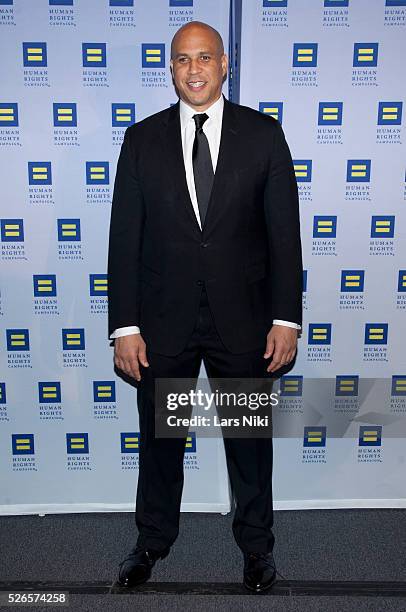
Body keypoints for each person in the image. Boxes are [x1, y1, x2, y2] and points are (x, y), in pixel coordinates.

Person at [107, 21, 302, 593]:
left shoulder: (264, 137)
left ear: (225, 65)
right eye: (182, 60)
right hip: (162, 323)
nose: (194, 69)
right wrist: (125, 325)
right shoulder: (141, 140)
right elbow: (125, 240)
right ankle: (151, 542)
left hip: (242, 321)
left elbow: (284, 237)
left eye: (205, 58)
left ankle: (258, 550)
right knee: (162, 443)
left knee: (248, 444)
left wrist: (285, 319)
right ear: (171, 70)